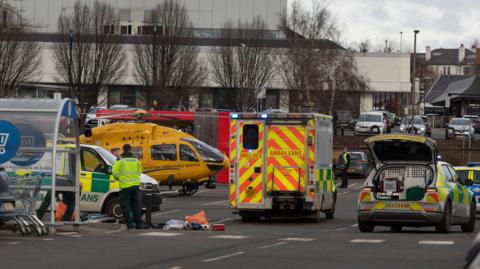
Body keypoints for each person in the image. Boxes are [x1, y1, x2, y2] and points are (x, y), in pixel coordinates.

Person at [112, 144, 143, 229]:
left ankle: (129, 224)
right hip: (136, 186)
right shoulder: (136, 161)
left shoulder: (120, 161)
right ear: (130, 150)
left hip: (125, 187)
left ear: (123, 150)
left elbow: (114, 173)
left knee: (126, 206)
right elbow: (139, 173)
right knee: (136, 205)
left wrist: (119, 178)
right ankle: (139, 224)